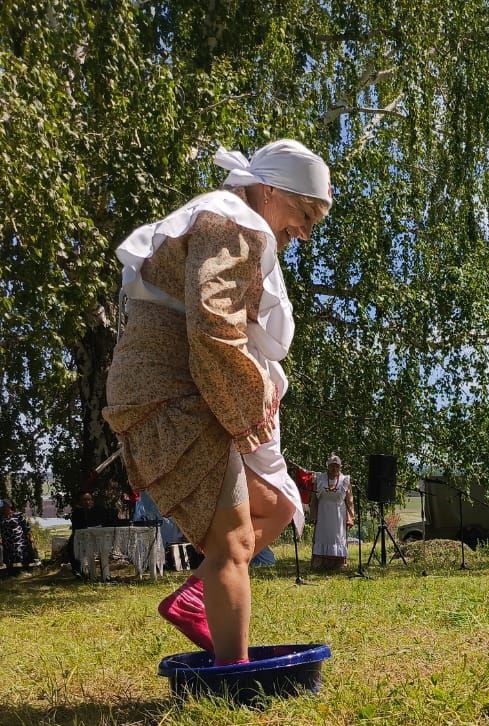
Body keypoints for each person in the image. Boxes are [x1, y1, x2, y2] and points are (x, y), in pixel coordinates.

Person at [103, 139, 332, 662]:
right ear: (270, 191)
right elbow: (213, 328)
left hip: (183, 387)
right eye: (303, 214)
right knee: (231, 544)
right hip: (170, 393)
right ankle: (237, 679)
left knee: (277, 504)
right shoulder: (226, 223)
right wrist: (250, 405)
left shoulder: (230, 223)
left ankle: (194, 598)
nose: (303, 232)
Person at [310, 454, 354, 571]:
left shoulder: (345, 480)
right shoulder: (319, 479)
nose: (334, 469)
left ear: (340, 467)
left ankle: (339, 563)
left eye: (337, 466)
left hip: (339, 515)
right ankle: (320, 563)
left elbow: (349, 501)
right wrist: (313, 514)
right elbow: (314, 499)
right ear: (328, 466)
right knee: (322, 536)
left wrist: (350, 517)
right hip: (323, 514)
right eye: (332, 466)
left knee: (337, 537)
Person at [0, 500, 39, 575]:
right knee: (9, 556)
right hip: (7, 541)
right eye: (2, 508)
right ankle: (11, 572)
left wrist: (30, 538)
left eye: (4, 507)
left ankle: (26, 569)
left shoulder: (18, 515)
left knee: (21, 554)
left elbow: (27, 528)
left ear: (9, 506)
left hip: (18, 540)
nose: (2, 509)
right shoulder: (1, 518)